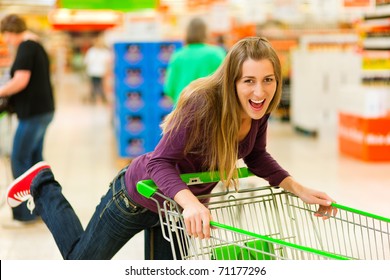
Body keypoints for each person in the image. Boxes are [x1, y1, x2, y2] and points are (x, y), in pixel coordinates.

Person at [5, 37, 337, 259]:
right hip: (137, 197)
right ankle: (43, 185)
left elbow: (256, 156)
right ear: (233, 80)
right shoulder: (203, 105)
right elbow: (160, 162)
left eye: (268, 79)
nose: (260, 90)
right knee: (82, 266)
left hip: (175, 214)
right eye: (249, 80)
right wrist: (192, 204)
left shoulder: (257, 110)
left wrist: (298, 188)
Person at [0, 14, 55, 225]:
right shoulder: (36, 45)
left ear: (10, 32)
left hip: (33, 113)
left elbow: (21, 81)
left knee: (19, 159)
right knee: (35, 161)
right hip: (43, 110)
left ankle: (23, 212)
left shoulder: (25, 47)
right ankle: (42, 207)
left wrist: (2, 90)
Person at [164, 17, 226, 105]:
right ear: (205, 33)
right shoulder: (216, 54)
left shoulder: (178, 56)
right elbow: (225, 84)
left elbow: (169, 88)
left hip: (183, 109)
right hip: (211, 109)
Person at [83, 36, 111, 104]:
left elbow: (86, 61)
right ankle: (97, 98)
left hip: (97, 71)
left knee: (97, 85)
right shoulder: (93, 51)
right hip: (95, 71)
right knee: (96, 85)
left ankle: (97, 98)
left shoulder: (93, 51)